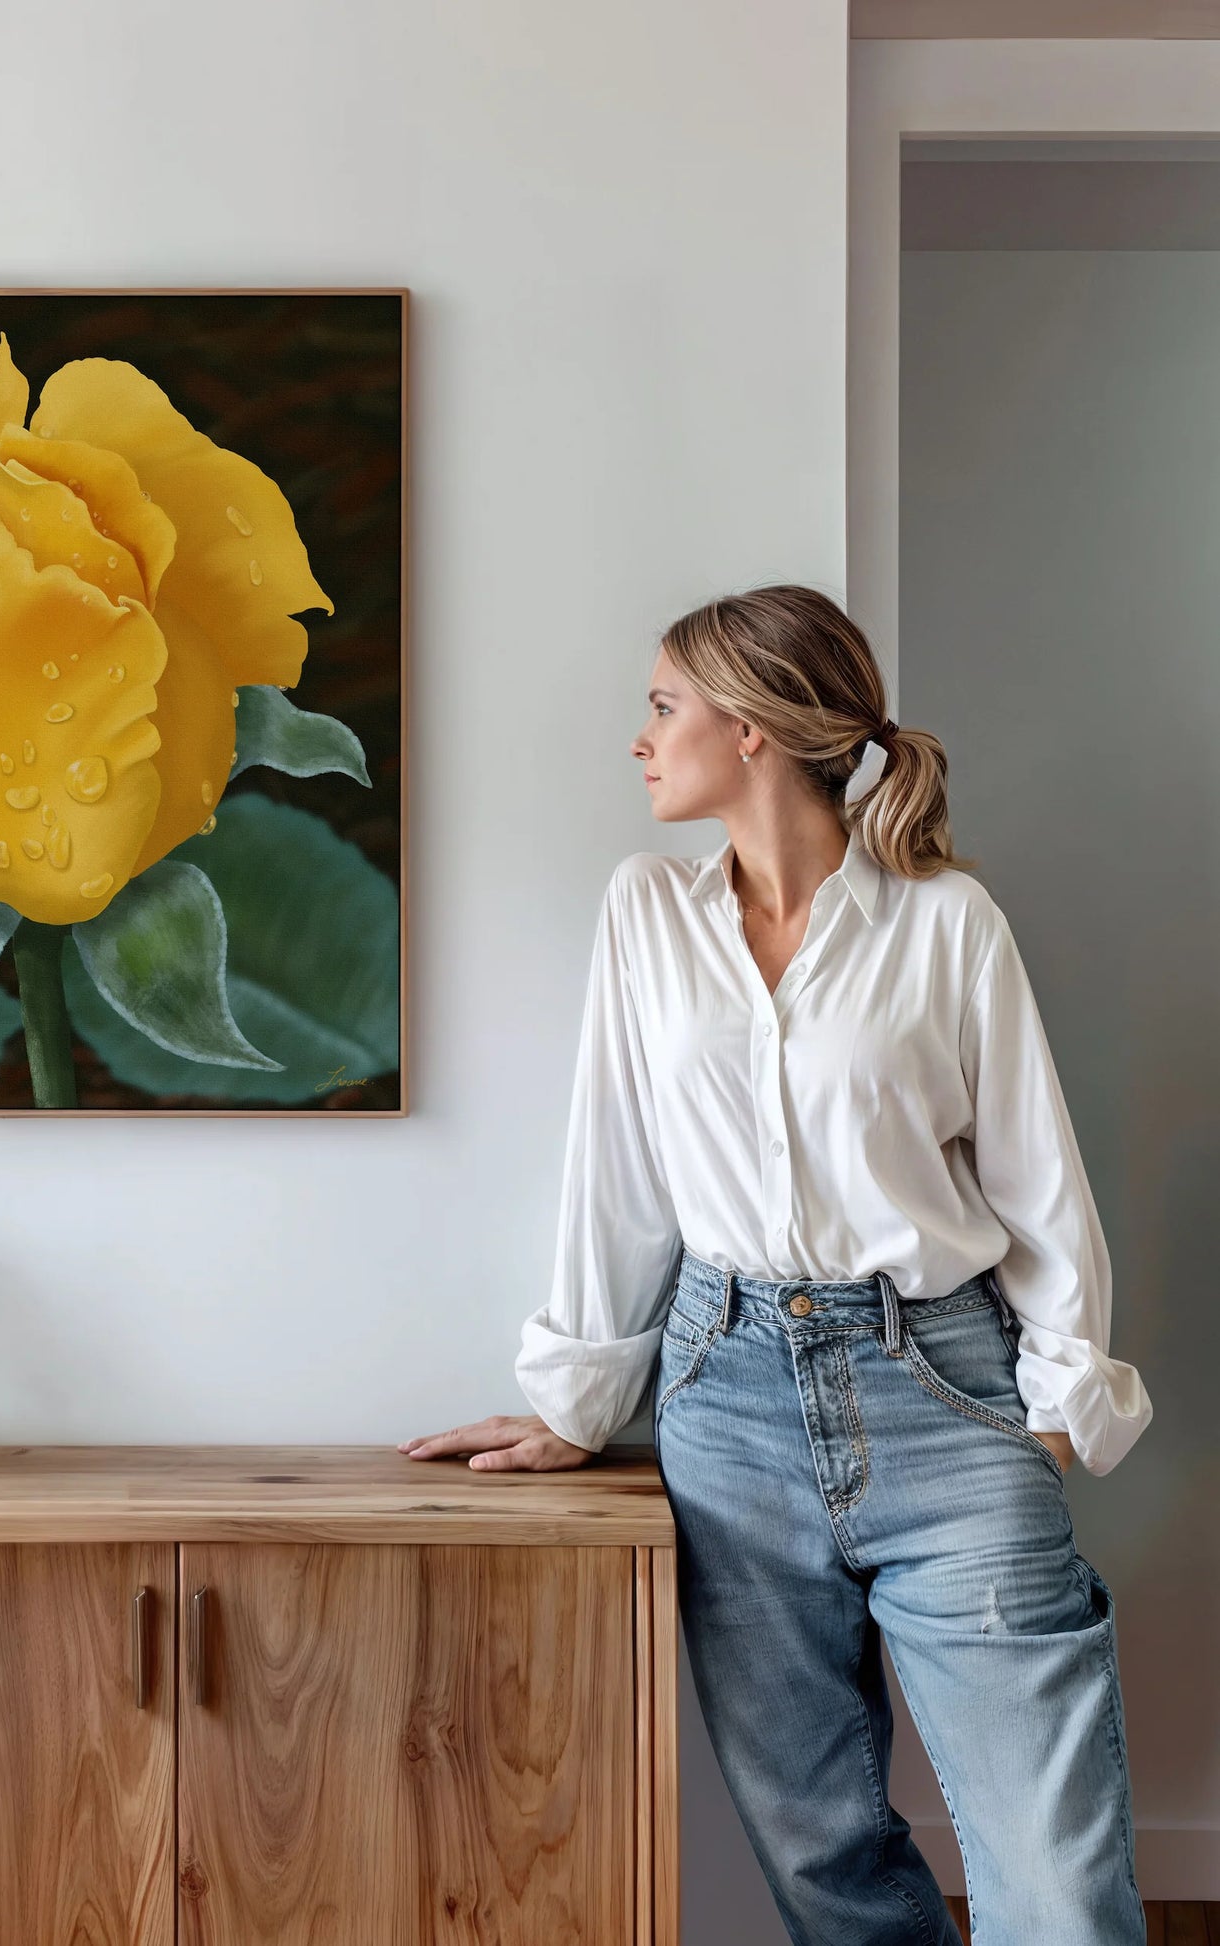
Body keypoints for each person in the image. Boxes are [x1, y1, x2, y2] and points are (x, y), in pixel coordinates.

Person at [399, 586, 1152, 1945]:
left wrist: (1051, 1413)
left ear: (749, 729)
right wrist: (578, 1398)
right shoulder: (645, 912)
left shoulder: (946, 922)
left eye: (662, 707)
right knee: (821, 1856)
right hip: (726, 1401)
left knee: (1054, 1876)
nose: (640, 739)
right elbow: (617, 1171)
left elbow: (1037, 1180)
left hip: (943, 1389)